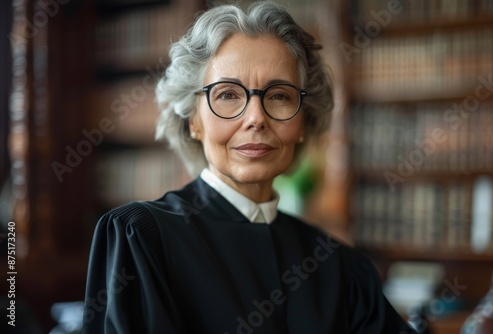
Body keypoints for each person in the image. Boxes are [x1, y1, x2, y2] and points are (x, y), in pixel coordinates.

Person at [82, 2, 416, 333]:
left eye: (279, 96)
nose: (256, 118)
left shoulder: (341, 267)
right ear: (193, 121)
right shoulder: (142, 238)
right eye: (228, 94)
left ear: (303, 122)